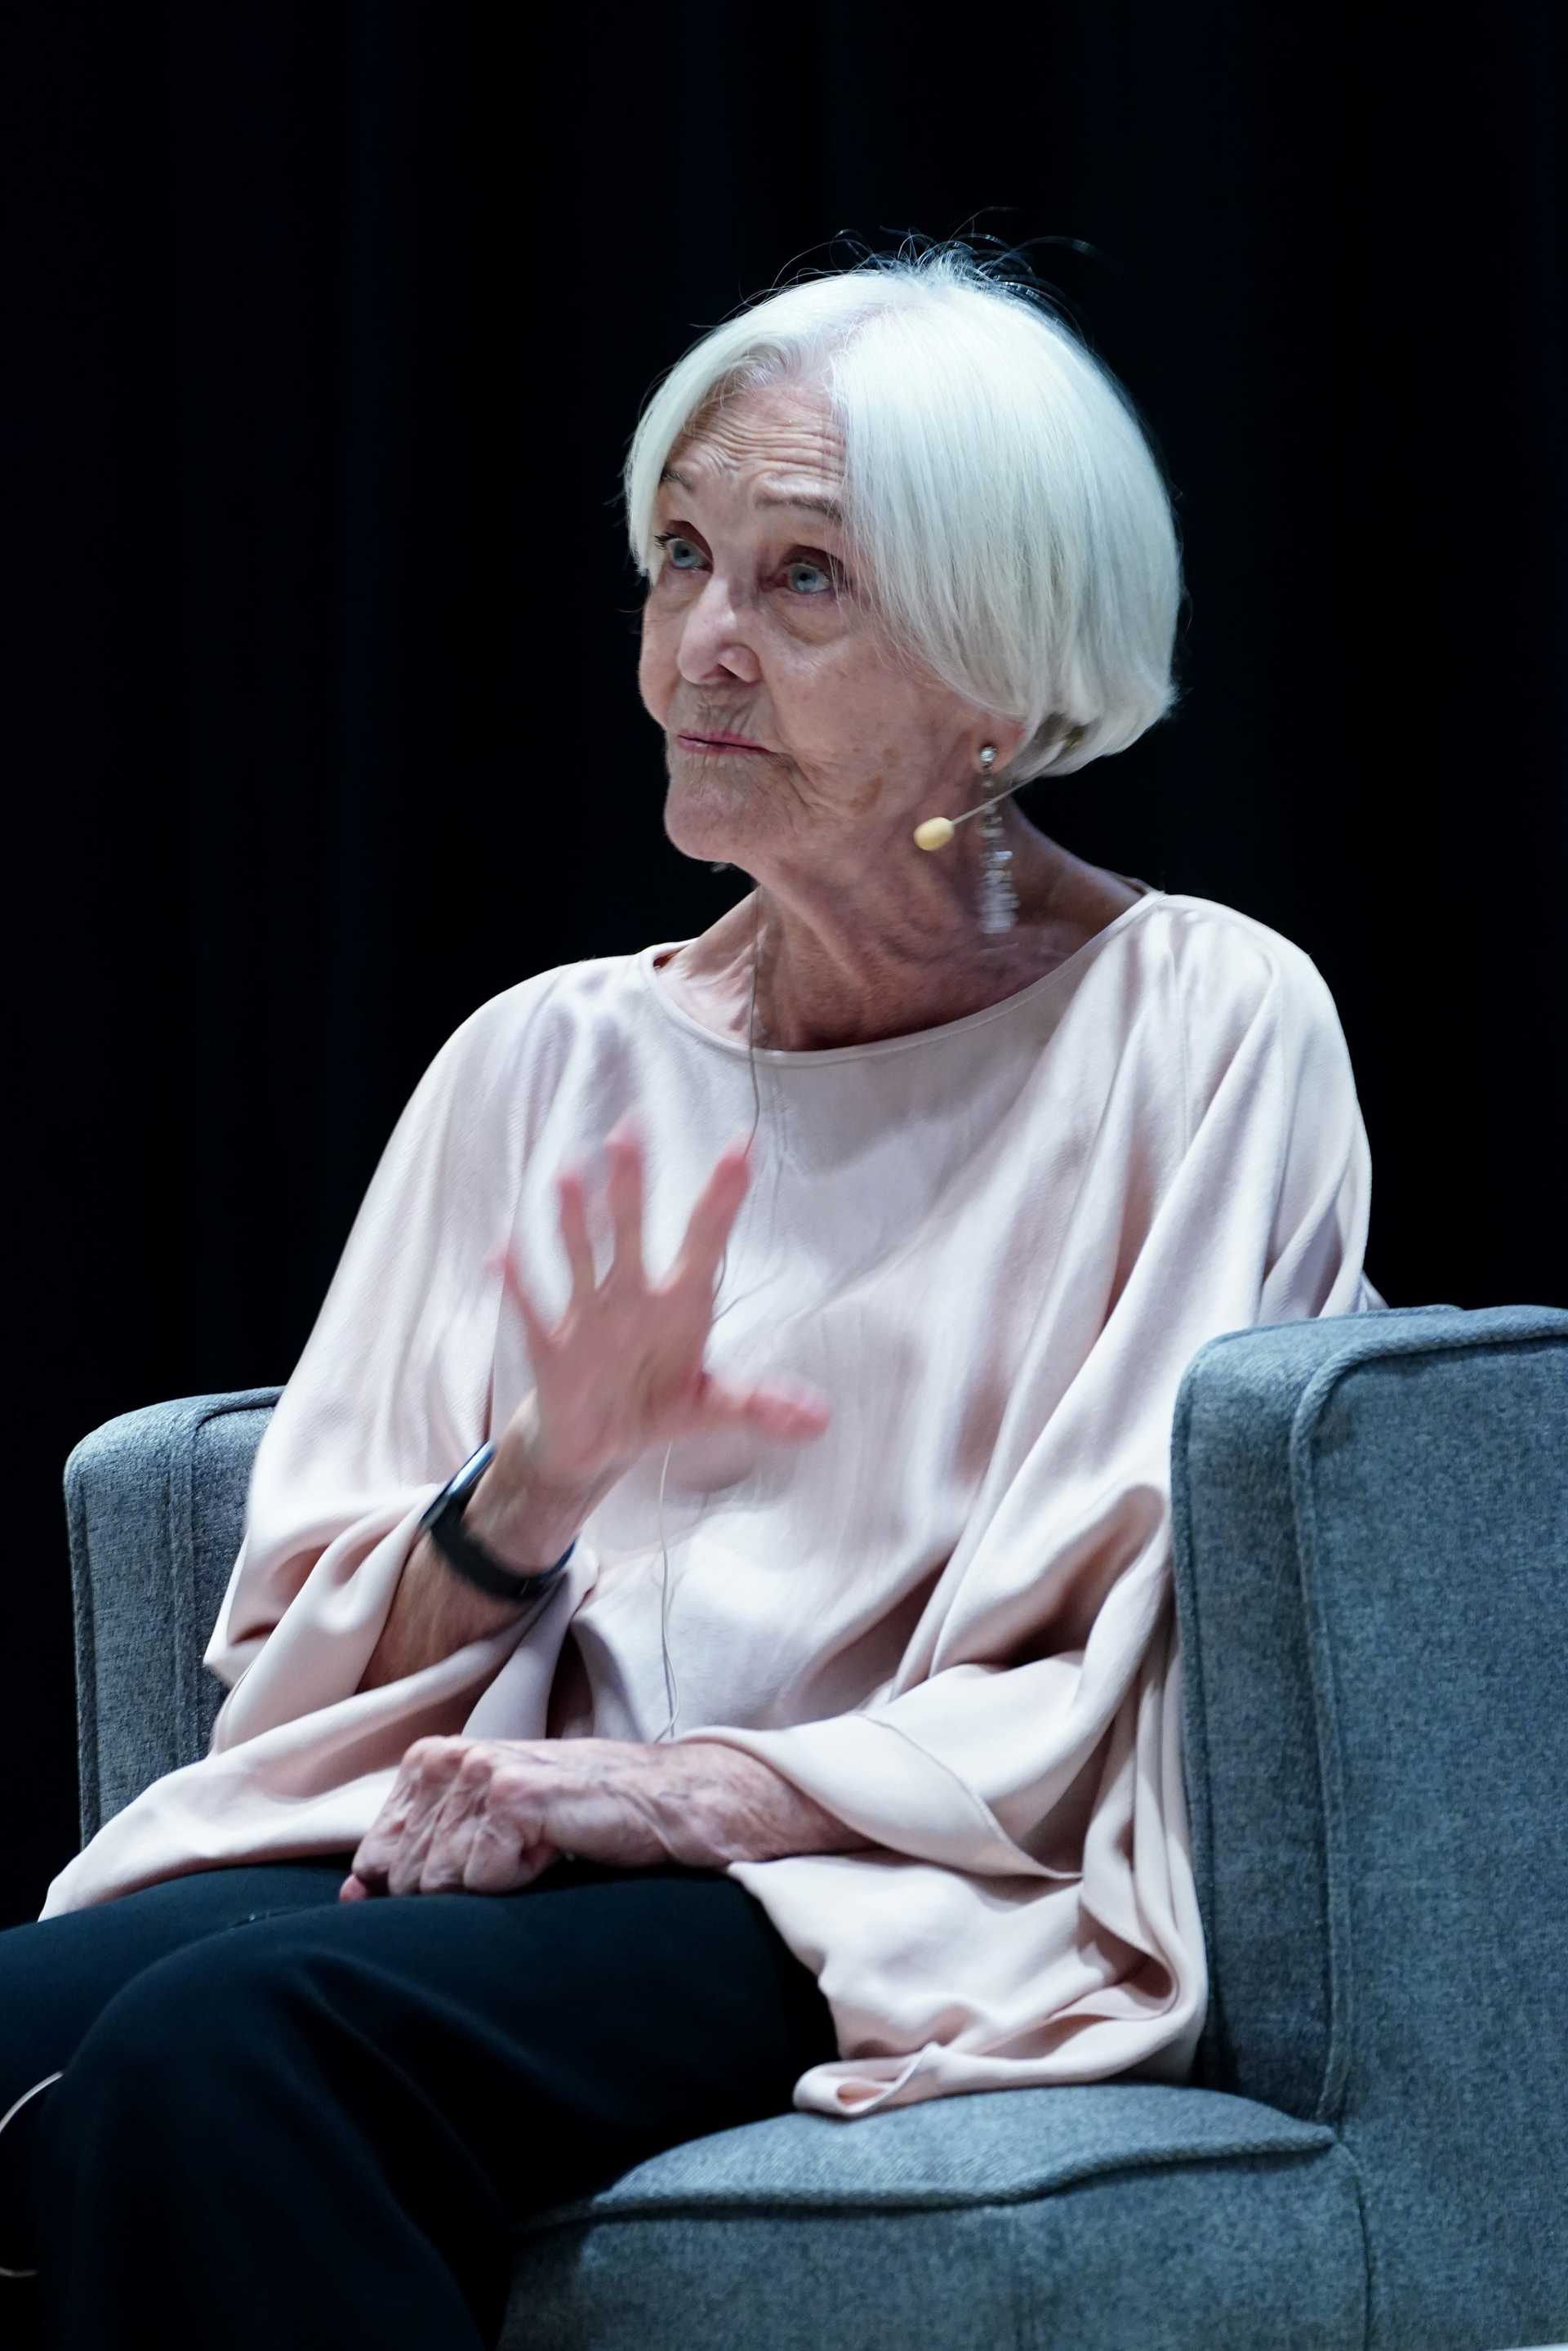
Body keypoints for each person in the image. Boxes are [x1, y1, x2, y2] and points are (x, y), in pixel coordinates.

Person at [0, 240, 1385, 2348]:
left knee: (226, 2064)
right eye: (677, 559)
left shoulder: (1203, 1028)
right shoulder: (543, 1061)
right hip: (500, 1831)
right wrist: (529, 1489)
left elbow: (1121, 1645)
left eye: (802, 580)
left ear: (999, 677)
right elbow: (284, 1688)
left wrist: (670, 1793)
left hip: (877, 1885)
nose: (697, 650)